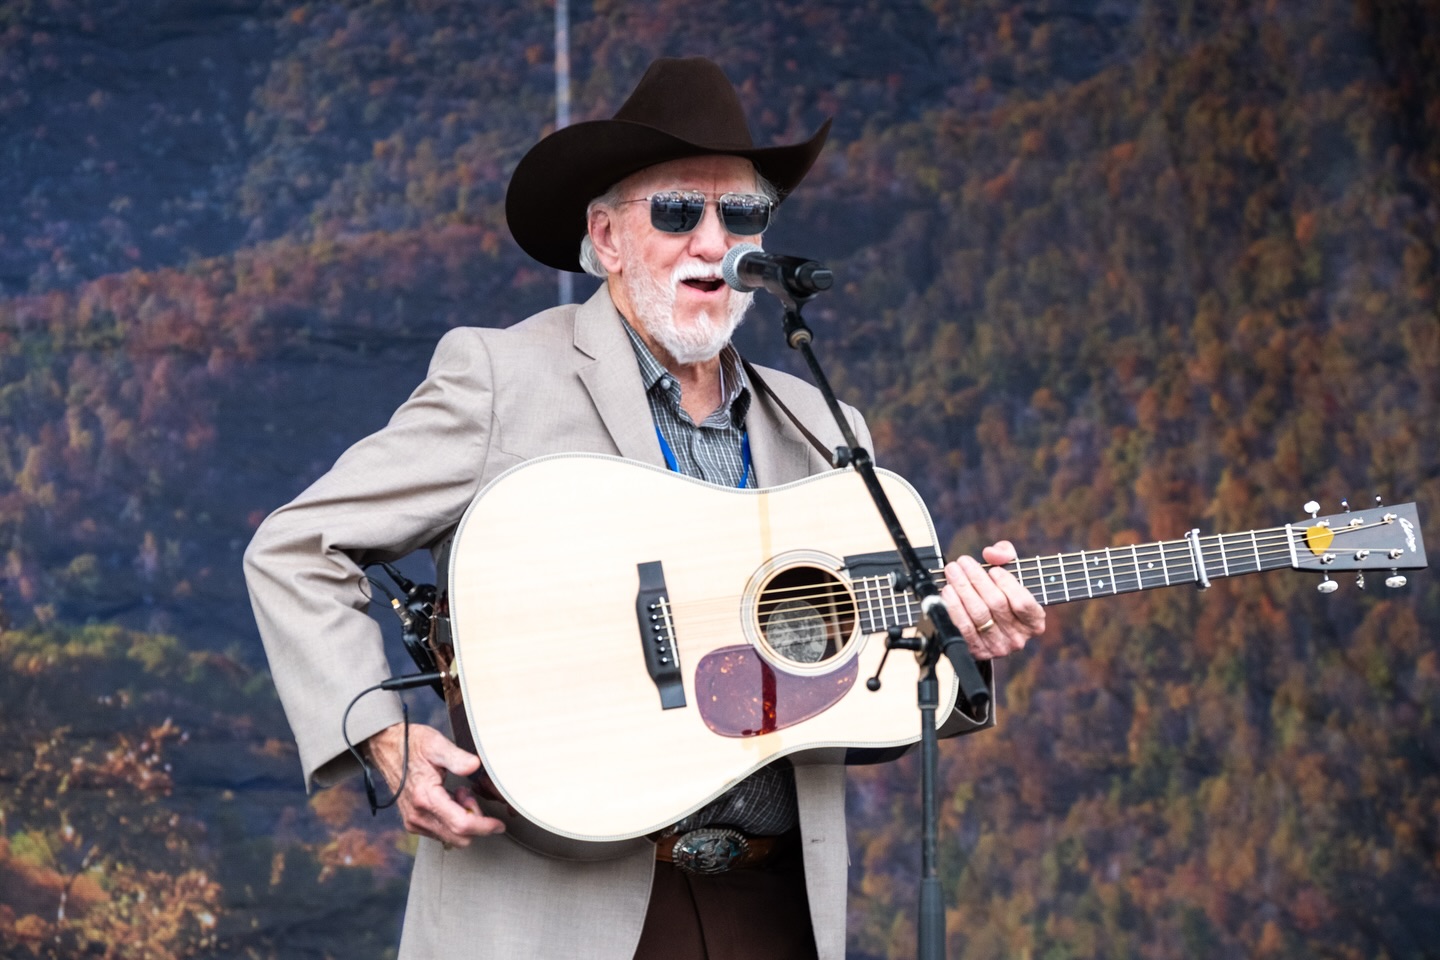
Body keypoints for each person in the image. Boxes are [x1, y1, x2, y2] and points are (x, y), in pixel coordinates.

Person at [244, 56, 1044, 960]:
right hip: (557, 910)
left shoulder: (826, 427)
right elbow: (298, 547)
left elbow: (850, 684)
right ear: (607, 237)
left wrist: (955, 639)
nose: (713, 242)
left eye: (740, 215)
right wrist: (379, 738)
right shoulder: (502, 379)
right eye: (677, 211)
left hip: (772, 905)